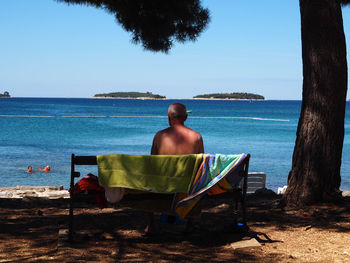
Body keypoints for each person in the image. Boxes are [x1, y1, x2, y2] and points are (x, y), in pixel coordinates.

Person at [145, 103, 204, 234]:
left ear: (168, 117)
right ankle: (190, 224)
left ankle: (151, 224)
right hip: (187, 188)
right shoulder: (197, 137)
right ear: (186, 117)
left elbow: (152, 162)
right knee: (198, 178)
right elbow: (201, 165)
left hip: (162, 186)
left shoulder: (159, 136)